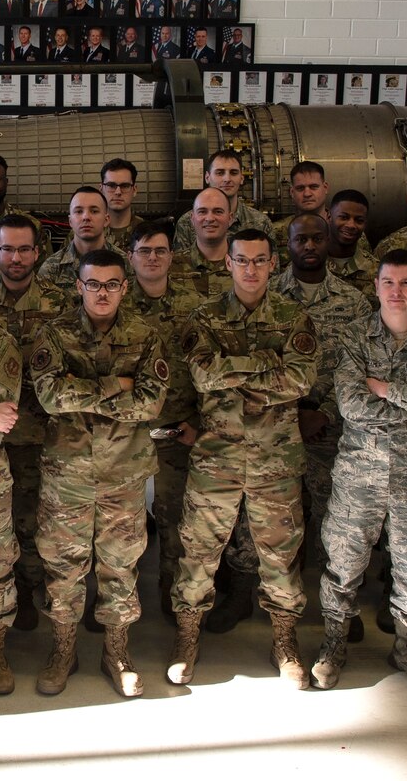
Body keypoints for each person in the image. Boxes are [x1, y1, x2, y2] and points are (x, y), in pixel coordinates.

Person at [168, 228, 320, 686]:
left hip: (276, 461)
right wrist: (267, 364)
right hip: (217, 457)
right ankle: (187, 638)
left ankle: (285, 641)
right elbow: (202, 375)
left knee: (281, 554)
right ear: (228, 264)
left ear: (273, 263)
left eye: (259, 260)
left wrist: (232, 369)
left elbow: (300, 382)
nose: (251, 269)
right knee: (198, 552)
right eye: (242, 260)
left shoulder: (295, 317)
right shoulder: (204, 317)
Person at [311, 251, 407, 693]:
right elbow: (351, 406)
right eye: (389, 283)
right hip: (358, 473)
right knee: (343, 563)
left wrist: (386, 389)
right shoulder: (355, 337)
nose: (397, 292)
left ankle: (406, 647)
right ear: (376, 287)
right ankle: (334, 643)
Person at [30, 250, 168, 698]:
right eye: (94, 284)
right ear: (79, 287)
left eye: (112, 284)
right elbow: (50, 397)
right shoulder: (54, 333)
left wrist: (82, 390)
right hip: (67, 473)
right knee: (63, 567)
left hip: (122, 475)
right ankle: (63, 651)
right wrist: (116, 385)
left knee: (120, 566)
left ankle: (117, 653)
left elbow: (149, 404)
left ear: (124, 287)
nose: (102, 292)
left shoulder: (146, 336)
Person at [271, 212, 377, 629]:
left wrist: (326, 412)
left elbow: (360, 366)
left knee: (337, 521)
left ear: (329, 242)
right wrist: (290, 412)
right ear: (289, 244)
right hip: (278, 426)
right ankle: (276, 603)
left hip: (333, 429)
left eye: (317, 239)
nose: (310, 246)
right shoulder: (268, 294)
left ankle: (339, 608)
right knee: (278, 519)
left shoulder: (352, 301)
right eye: (301, 239)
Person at [0, 214, 62, 628]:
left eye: (24, 249)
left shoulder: (58, 301)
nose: (16, 257)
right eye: (7, 249)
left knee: (31, 520)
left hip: (38, 434)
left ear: (37, 252)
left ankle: (29, 592)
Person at [123, 220, 202, 620]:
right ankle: (118, 604)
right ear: (130, 257)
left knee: (174, 521)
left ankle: (173, 598)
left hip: (177, 430)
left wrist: (199, 423)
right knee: (121, 527)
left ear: (172, 256)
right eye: (144, 251)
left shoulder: (195, 307)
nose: (152, 258)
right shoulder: (115, 303)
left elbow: (209, 372)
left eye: (160, 251)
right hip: (127, 434)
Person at [37, 186, 110, 291]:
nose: (86, 217)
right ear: (70, 221)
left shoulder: (124, 263)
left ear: (106, 219)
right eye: (79, 211)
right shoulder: (51, 268)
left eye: (94, 211)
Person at [171, 187, 233, 293]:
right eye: (202, 212)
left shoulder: (246, 267)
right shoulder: (171, 267)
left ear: (230, 218)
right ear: (192, 219)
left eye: (218, 211)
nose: (209, 218)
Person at [204, 148, 272, 237]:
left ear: (242, 178)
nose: (227, 179)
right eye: (220, 173)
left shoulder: (261, 223)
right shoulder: (187, 223)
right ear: (207, 177)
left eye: (234, 173)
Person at [325, 190, 378, 296]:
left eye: (359, 220)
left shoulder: (377, 271)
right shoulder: (309, 265)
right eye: (344, 217)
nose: (351, 225)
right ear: (329, 217)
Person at [98, 159, 141, 251]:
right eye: (111, 185)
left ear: (134, 190)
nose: (118, 192)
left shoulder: (148, 233)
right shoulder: (85, 231)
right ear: (101, 189)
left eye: (125, 186)